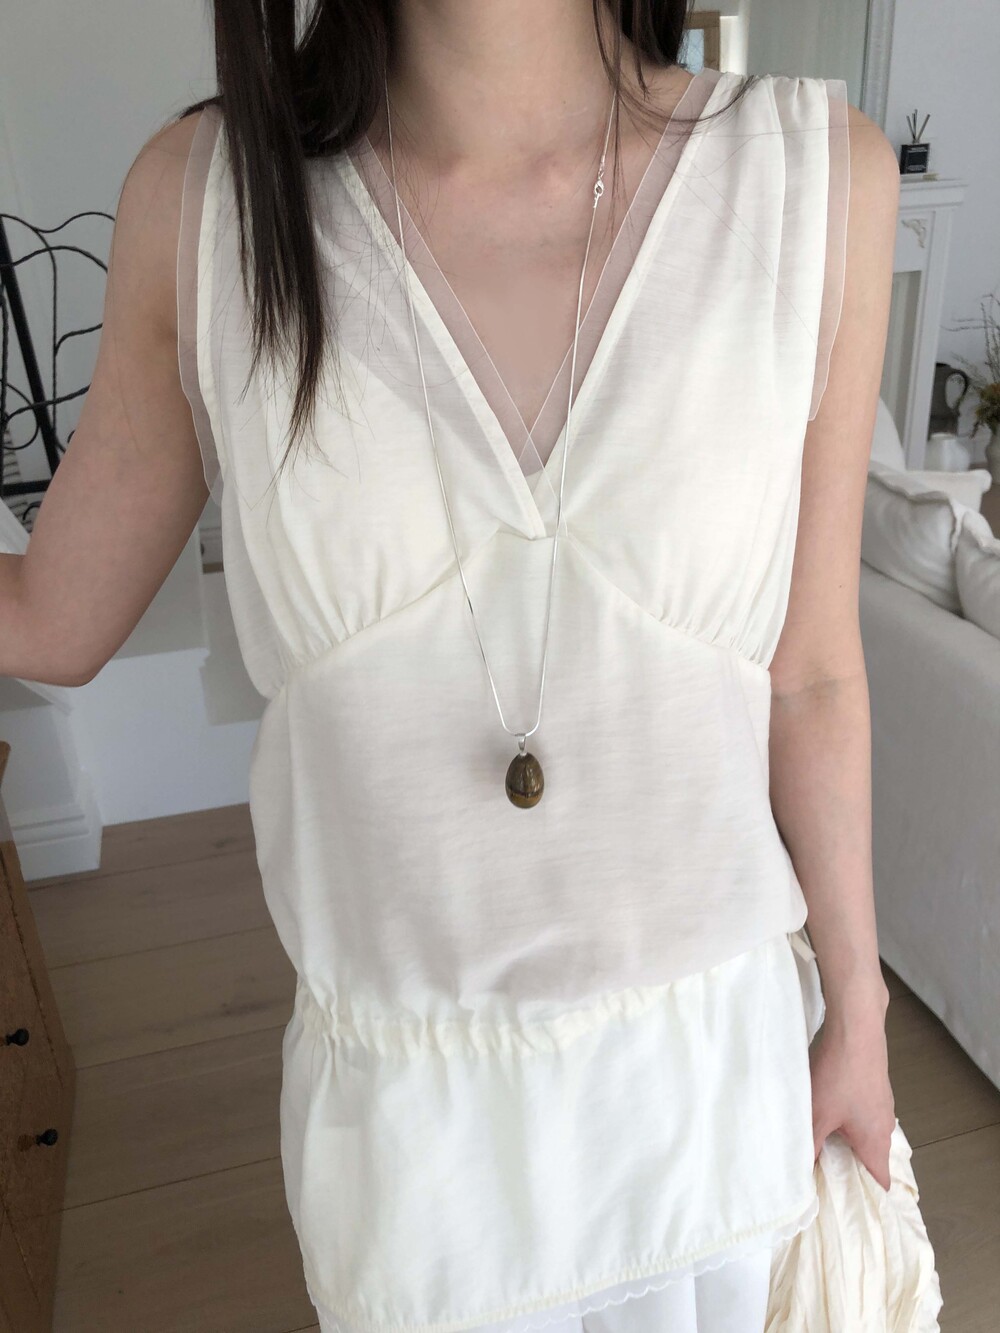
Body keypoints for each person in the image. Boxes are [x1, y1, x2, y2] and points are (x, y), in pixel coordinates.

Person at [0, 2, 943, 1330]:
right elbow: (53, 615)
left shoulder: (815, 178)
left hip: (721, 1106)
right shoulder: (210, 205)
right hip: (418, 1158)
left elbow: (813, 673)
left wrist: (858, 1008)